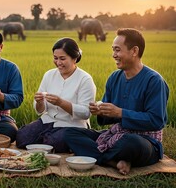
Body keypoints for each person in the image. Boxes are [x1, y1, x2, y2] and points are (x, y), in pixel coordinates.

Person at [64, 28, 169, 175]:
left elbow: (156, 120)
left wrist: (120, 113)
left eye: (118, 50)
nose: (114, 55)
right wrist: (100, 110)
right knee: (69, 133)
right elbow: (109, 113)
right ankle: (112, 161)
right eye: (113, 50)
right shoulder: (114, 77)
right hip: (116, 135)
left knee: (131, 143)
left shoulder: (154, 81)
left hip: (144, 140)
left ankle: (101, 156)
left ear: (134, 51)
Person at [16, 38, 96, 152]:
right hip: (49, 121)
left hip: (72, 125)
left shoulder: (85, 79)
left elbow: (85, 113)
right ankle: (48, 138)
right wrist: (39, 102)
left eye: (62, 58)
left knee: (56, 142)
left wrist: (61, 103)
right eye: (55, 58)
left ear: (74, 58)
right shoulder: (49, 75)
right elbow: (40, 110)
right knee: (21, 137)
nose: (58, 62)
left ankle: (51, 139)